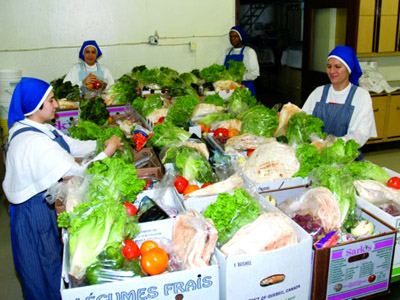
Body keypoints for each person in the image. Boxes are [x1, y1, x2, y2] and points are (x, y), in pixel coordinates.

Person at [2, 77, 123, 300]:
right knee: (42, 267)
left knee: (51, 261)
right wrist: (108, 152)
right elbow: (78, 173)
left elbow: (69, 144)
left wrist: (99, 143)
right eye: (51, 100)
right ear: (37, 107)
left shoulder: (40, 128)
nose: (57, 104)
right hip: (33, 213)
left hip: (42, 204)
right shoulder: (32, 142)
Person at [302, 45, 377, 150]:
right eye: (329, 66)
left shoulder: (361, 96)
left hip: (346, 156)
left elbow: (361, 133)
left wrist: (334, 143)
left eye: (337, 67)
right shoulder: (318, 92)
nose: (332, 71)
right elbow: (304, 122)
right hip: (317, 152)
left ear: (348, 69)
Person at [218, 25, 260, 96]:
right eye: (231, 37)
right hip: (230, 89)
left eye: (235, 36)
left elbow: (255, 73)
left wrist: (240, 78)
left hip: (245, 87)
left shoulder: (249, 52)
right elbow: (219, 68)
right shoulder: (227, 52)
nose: (232, 39)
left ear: (240, 38)